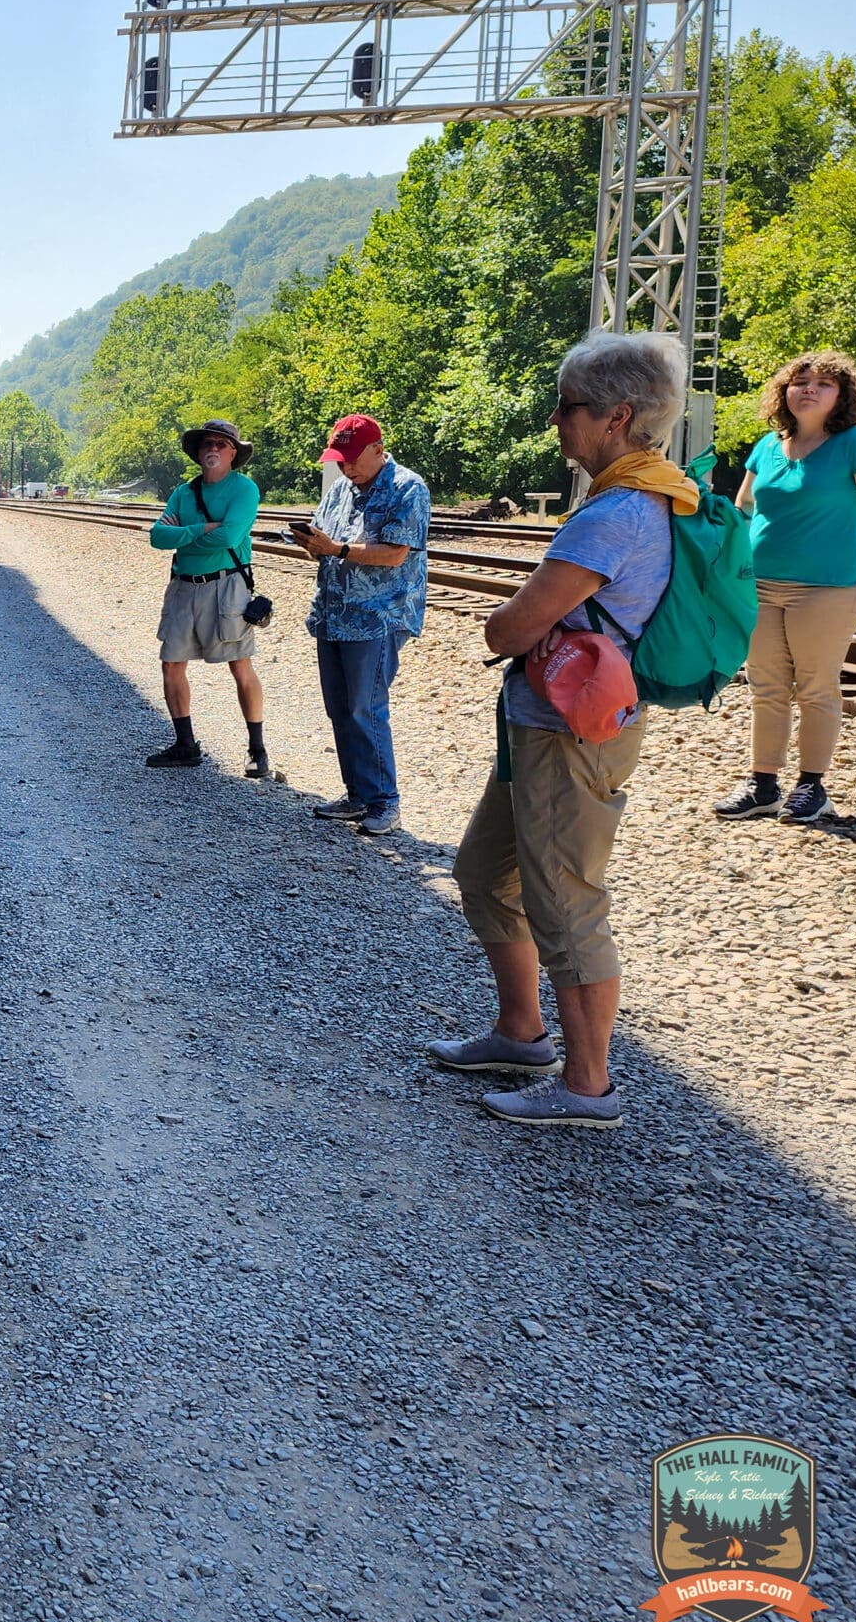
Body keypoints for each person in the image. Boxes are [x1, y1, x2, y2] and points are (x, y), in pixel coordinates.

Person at [433, 331, 696, 1127]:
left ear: (618, 416)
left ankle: (587, 1085)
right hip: (547, 724)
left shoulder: (616, 512)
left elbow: (509, 629)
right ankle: (522, 1033)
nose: (556, 419)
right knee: (485, 874)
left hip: (569, 735)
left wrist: (509, 623)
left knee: (566, 906)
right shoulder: (647, 494)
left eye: (568, 405)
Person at [714, 351, 856, 825]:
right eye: (800, 381)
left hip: (828, 588)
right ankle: (763, 785)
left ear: (841, 396)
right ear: (784, 391)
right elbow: (744, 509)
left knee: (816, 688)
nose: (809, 389)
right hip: (759, 586)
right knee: (766, 686)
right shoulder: (768, 446)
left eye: (823, 383)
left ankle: (811, 787)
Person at [291, 414, 431, 836]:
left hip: (378, 616)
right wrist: (313, 545)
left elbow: (394, 553)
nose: (346, 467)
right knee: (340, 707)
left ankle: (385, 801)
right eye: (340, 459)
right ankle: (358, 793)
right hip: (334, 613)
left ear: (378, 449)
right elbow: (327, 544)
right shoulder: (340, 490)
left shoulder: (408, 487)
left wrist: (337, 549)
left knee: (364, 707)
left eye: (352, 458)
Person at [145, 419, 269, 777]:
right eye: (206, 444)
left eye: (221, 444)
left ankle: (257, 750)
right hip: (183, 585)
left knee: (240, 664)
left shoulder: (244, 490)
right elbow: (156, 537)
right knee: (171, 663)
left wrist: (183, 536)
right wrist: (203, 528)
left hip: (226, 585)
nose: (212, 449)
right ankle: (185, 745)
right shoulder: (184, 492)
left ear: (233, 453)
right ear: (198, 453)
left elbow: (229, 538)